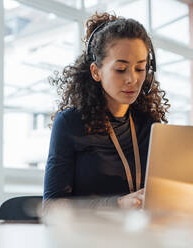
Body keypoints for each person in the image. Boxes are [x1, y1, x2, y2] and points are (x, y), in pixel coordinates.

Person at [44, 12, 170, 209]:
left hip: (142, 235)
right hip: (90, 236)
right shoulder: (70, 123)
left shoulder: (149, 124)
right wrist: (117, 204)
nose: (132, 79)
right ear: (96, 72)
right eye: (121, 69)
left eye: (140, 68)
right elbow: (51, 207)